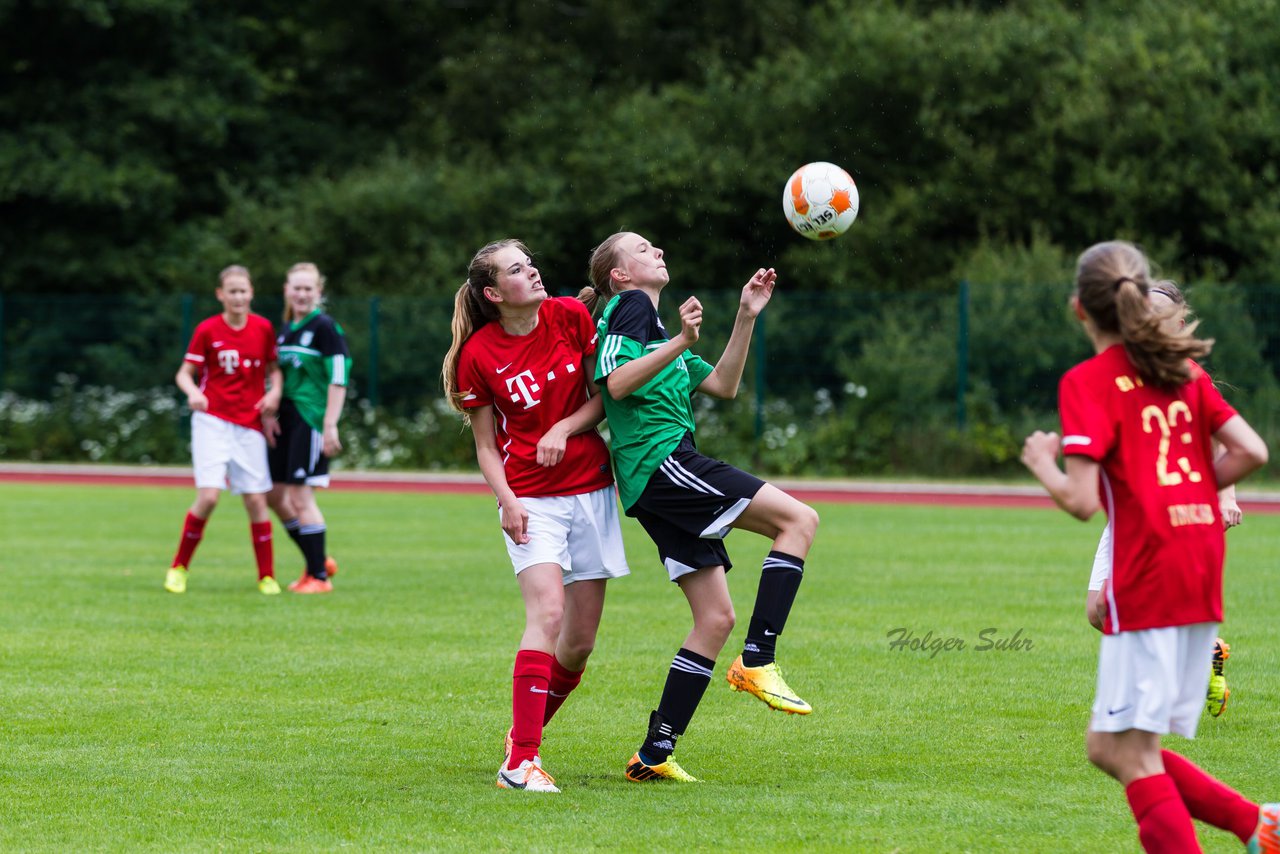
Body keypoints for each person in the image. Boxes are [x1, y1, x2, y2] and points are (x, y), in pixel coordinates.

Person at [1021, 240, 1276, 852]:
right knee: (1121, 747)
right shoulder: (1183, 370)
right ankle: (1257, 826)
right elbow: (1252, 452)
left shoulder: (1089, 381)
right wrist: (1183, 492)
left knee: (1122, 753)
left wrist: (1042, 464)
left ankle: (1255, 826)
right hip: (1198, 564)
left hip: (1149, 571)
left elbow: (1082, 501)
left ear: (1080, 309)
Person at [582, 231, 820, 784]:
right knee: (799, 520)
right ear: (619, 276)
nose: (658, 251)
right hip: (663, 464)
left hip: (656, 481)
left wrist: (745, 315)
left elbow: (724, 385)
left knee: (714, 618)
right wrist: (682, 341)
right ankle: (758, 660)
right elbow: (615, 384)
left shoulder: (656, 330)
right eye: (642, 250)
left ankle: (654, 751)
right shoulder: (631, 306)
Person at [443, 239, 630, 794]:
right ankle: (522, 763)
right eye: (518, 270)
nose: (534, 272)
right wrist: (507, 501)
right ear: (494, 293)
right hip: (530, 499)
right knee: (546, 614)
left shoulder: (571, 316)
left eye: (531, 264)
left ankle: (520, 737)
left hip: (592, 492)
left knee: (578, 644)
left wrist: (563, 428)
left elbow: (607, 395)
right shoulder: (478, 354)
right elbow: (483, 446)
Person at [1083, 281, 1238, 718]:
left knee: (1124, 603)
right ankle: (1200, 652)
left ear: (1180, 323)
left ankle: (1139, 698)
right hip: (1129, 510)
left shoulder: (1189, 375)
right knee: (1097, 612)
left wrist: (1224, 494)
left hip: (1173, 514)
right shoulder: (1123, 369)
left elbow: (1225, 442)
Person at [165, 265, 282, 595]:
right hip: (212, 421)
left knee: (256, 500)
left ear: (251, 293)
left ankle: (267, 576)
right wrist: (193, 393)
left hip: (249, 425)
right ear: (220, 294)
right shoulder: (207, 330)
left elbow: (275, 372)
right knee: (209, 496)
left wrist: (273, 393)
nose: (238, 297)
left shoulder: (262, 328)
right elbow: (184, 373)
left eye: (243, 291)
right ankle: (178, 568)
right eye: (232, 291)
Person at [265, 262, 351, 595]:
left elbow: (339, 377)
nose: (301, 294)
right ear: (287, 290)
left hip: (310, 418)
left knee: (301, 496)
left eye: (308, 289)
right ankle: (316, 559)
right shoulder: (287, 328)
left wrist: (330, 424)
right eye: (296, 288)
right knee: (273, 494)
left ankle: (319, 577)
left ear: (319, 292)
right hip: (284, 418)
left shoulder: (325, 327)